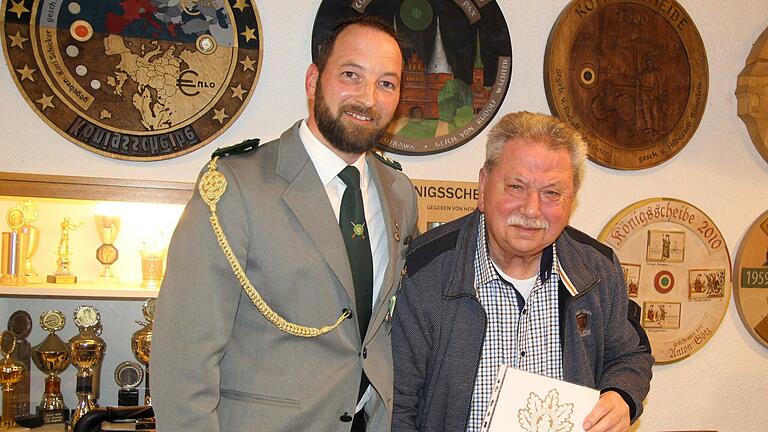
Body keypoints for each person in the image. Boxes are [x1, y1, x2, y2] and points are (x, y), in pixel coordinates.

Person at [152, 15, 418, 432]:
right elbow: (183, 356)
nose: (368, 98)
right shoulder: (236, 186)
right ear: (314, 81)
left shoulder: (400, 193)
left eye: (387, 83)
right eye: (352, 75)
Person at [391, 111, 652, 432]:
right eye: (516, 186)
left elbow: (630, 354)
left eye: (552, 193)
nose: (531, 209)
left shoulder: (598, 269)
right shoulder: (426, 269)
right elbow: (397, 404)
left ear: (572, 200)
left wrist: (621, 395)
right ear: (483, 186)